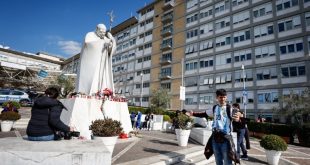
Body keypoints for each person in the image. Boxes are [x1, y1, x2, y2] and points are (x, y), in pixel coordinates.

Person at [191, 89, 239, 165]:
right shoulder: (214, 108)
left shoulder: (230, 109)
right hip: (215, 138)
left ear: (226, 97)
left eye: (224, 97)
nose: (222, 99)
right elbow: (204, 114)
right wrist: (193, 113)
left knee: (227, 161)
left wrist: (238, 119)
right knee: (218, 160)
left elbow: (237, 118)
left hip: (226, 139)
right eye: (220, 97)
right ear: (217, 98)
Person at [76, 23, 116, 95]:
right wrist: (102, 43)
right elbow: (88, 44)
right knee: (93, 80)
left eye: (104, 32)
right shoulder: (90, 35)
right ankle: (88, 92)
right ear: (97, 29)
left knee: (102, 79)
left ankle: (101, 92)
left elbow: (110, 51)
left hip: (103, 64)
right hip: (93, 63)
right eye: (101, 32)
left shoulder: (106, 38)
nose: (103, 34)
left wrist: (111, 43)